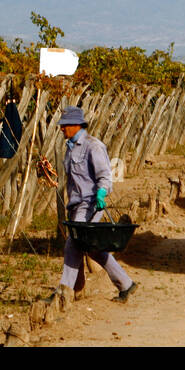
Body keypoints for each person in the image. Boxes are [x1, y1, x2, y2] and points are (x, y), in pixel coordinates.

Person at [58, 106, 136, 301]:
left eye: (65, 126)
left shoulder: (93, 146)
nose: (61, 129)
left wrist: (101, 193)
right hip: (76, 204)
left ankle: (64, 292)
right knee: (92, 248)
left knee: (73, 244)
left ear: (76, 125)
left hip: (90, 204)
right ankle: (126, 284)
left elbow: (104, 176)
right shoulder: (70, 148)